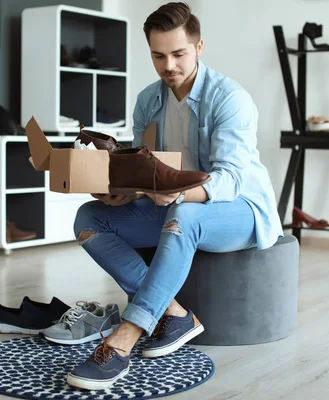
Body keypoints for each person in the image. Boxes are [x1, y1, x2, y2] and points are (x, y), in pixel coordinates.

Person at [67, 1, 283, 390]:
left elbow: (230, 180)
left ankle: (123, 341)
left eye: (179, 53)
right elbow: (143, 170)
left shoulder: (230, 99)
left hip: (239, 209)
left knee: (182, 217)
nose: (169, 65)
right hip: (173, 206)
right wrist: (125, 193)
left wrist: (178, 197)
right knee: (88, 218)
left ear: (199, 47)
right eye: (158, 55)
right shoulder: (149, 100)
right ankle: (172, 312)